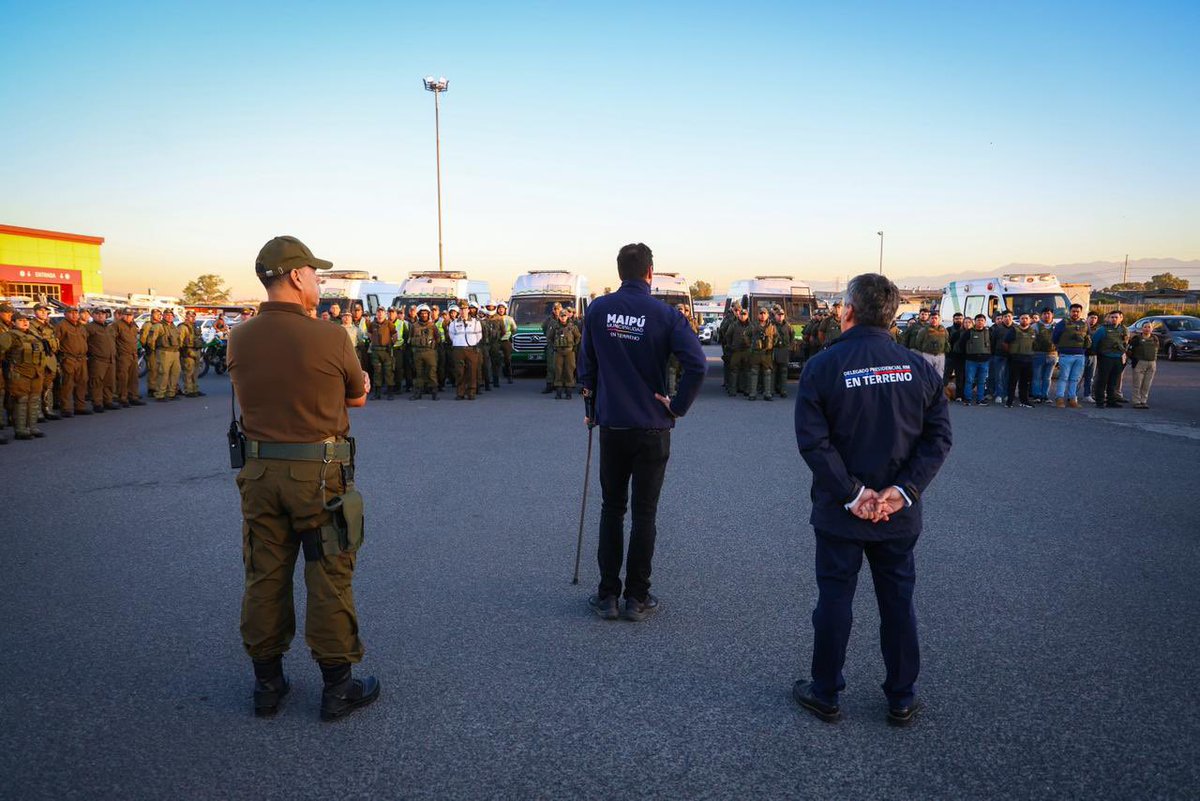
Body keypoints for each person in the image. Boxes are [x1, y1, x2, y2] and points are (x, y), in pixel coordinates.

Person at [228, 235, 379, 721]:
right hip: (318, 476)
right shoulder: (331, 337)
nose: (318, 282)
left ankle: (267, 684)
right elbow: (357, 396)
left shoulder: (239, 336)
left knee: (264, 573)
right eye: (315, 273)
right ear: (296, 276)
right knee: (329, 574)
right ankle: (337, 687)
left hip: (259, 473)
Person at [792, 272, 951, 726]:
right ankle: (902, 696)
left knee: (834, 600)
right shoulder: (920, 367)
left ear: (847, 310)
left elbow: (813, 442)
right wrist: (902, 492)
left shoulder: (822, 366)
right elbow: (938, 439)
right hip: (897, 514)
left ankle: (826, 692)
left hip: (841, 511)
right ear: (892, 315)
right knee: (897, 601)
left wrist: (854, 493)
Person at [578, 243, 706, 622]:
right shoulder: (666, 315)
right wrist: (677, 405)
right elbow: (697, 364)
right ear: (650, 272)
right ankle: (637, 597)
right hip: (652, 425)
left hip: (613, 425)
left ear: (620, 272)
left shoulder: (598, 309)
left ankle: (607, 596)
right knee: (644, 513)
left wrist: (591, 410)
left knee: (612, 508)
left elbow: (587, 367)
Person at [2, 313, 48, 440]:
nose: (25, 322)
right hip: (19, 372)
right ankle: (21, 430)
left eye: (26, 320)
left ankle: (32, 427)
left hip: (36, 373)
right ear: (13, 322)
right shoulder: (9, 336)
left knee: (34, 400)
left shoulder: (34, 335)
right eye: (21, 320)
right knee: (21, 400)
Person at [55, 306, 90, 416]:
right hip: (69, 359)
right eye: (71, 313)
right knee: (67, 384)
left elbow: (85, 340)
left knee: (82, 383)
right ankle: (66, 408)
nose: (74, 315)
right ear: (65, 314)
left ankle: (80, 406)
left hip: (82, 359)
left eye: (76, 313)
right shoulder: (61, 326)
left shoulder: (81, 326)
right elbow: (56, 342)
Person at [1051, 303, 1089, 408]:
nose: (1075, 313)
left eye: (1077, 311)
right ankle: (1059, 398)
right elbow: (1055, 338)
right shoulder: (1062, 323)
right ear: (1069, 312)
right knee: (1063, 378)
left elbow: (1087, 339)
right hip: (1066, 355)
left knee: (1074, 379)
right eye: (1073, 311)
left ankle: (1072, 399)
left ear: (1081, 312)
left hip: (1080, 356)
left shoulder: (1084, 324)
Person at [29, 304, 61, 420]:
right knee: (37, 386)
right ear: (35, 312)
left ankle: (48, 409)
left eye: (45, 310)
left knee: (48, 385)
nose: (43, 312)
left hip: (50, 358)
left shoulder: (50, 326)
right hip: (38, 359)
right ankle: (37, 412)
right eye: (40, 310)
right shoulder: (31, 325)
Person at [1092, 311, 1128, 408]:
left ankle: (1111, 401)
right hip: (1106, 357)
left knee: (1113, 381)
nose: (1114, 319)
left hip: (1118, 358)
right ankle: (1100, 401)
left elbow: (1125, 343)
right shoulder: (1103, 329)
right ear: (1108, 318)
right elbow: (1094, 342)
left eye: (1116, 317)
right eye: (1112, 317)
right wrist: (1097, 354)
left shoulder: (1122, 330)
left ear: (1120, 319)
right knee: (1102, 380)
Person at [85, 308, 118, 412]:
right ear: (93, 315)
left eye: (103, 314)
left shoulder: (109, 327)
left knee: (109, 381)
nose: (100, 316)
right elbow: (84, 342)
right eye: (97, 314)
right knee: (97, 382)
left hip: (110, 359)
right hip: (97, 359)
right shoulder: (89, 327)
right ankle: (97, 403)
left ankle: (108, 401)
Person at [447, 303, 482, 400]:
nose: (463, 311)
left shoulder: (475, 322)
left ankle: (471, 392)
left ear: (468, 310)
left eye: (465, 309)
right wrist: (459, 342)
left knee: (472, 372)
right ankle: (460, 393)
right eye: (461, 309)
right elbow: (451, 335)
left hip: (471, 349)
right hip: (458, 349)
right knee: (459, 372)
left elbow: (479, 336)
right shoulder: (454, 323)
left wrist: (472, 343)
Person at [113, 308, 144, 406]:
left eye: (130, 315)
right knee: (123, 377)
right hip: (123, 355)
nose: (128, 317)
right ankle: (122, 398)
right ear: (122, 315)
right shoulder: (117, 325)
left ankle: (133, 396)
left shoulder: (133, 325)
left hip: (133, 354)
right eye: (126, 315)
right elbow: (112, 340)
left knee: (134, 377)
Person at [1004, 313, 1036, 408]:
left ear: (1030, 320)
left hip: (1028, 359)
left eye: (1026, 318)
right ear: (1019, 320)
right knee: (1012, 381)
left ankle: (1024, 401)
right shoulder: (1013, 330)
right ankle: (1009, 401)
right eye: (1022, 318)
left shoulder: (1033, 331)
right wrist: (1010, 354)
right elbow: (1005, 343)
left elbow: (1035, 344)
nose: (1024, 320)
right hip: (1016, 359)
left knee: (1025, 382)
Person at [409, 304, 441, 400]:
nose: (424, 315)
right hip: (418, 352)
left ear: (428, 314)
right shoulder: (414, 326)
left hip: (430, 352)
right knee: (418, 374)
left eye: (426, 313)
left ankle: (434, 393)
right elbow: (410, 338)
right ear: (418, 314)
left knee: (432, 373)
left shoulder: (432, 326)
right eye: (422, 313)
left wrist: (433, 348)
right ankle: (417, 393)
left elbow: (438, 338)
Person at [1127, 322, 1160, 409]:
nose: (1147, 329)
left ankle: (1143, 401)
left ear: (1152, 329)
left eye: (1149, 327)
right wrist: (1134, 360)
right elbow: (1130, 351)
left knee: (1147, 384)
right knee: (1137, 383)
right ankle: (1136, 401)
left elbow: (1157, 349)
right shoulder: (1137, 338)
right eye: (1145, 327)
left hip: (1151, 363)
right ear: (1142, 329)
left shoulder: (1155, 338)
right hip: (1140, 363)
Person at [747, 307, 778, 401]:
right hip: (756, 353)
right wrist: (751, 345)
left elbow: (776, 337)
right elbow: (746, 335)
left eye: (764, 313)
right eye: (761, 313)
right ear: (758, 315)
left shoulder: (772, 326)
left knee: (767, 373)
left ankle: (767, 394)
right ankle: (752, 394)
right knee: (754, 373)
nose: (763, 315)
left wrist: (772, 345)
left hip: (767, 353)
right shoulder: (753, 326)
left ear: (768, 315)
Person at [961, 314, 991, 406]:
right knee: (969, 380)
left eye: (982, 320)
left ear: (985, 322)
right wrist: (967, 355)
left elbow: (992, 344)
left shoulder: (989, 332)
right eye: (978, 320)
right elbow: (962, 344)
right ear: (975, 321)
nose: (980, 322)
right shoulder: (969, 332)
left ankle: (980, 399)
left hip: (984, 361)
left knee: (982, 381)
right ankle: (967, 399)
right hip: (971, 360)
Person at [366, 307, 396, 400]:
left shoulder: (389, 324)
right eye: (378, 312)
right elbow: (369, 333)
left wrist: (391, 344)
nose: (380, 314)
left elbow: (395, 335)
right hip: (376, 351)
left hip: (386, 351)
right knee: (377, 372)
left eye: (382, 312)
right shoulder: (372, 324)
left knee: (388, 372)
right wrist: (373, 340)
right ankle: (377, 393)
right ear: (376, 313)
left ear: (385, 314)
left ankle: (390, 393)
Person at [551, 306, 581, 399]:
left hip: (569, 352)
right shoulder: (555, 327)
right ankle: (558, 393)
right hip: (558, 352)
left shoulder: (572, 327)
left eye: (564, 316)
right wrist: (554, 346)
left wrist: (574, 346)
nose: (563, 318)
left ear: (567, 316)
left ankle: (568, 393)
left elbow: (578, 337)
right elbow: (549, 337)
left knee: (569, 371)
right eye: (561, 316)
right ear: (559, 317)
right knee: (558, 371)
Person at [1030, 308, 1058, 404]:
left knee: (1048, 377)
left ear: (1052, 315)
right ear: (1041, 315)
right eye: (1044, 314)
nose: (1047, 315)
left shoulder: (1056, 326)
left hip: (1052, 355)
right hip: (1038, 354)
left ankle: (1045, 396)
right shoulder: (1035, 326)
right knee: (1036, 377)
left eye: (1049, 313)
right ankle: (1036, 396)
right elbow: (1031, 341)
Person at [723, 306, 752, 397]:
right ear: (739, 315)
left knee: (747, 371)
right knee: (734, 371)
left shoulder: (751, 326)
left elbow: (754, 337)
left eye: (744, 314)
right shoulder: (734, 325)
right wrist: (730, 345)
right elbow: (728, 335)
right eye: (741, 314)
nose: (743, 316)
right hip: (736, 351)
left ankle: (746, 389)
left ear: (747, 315)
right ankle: (732, 390)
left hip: (747, 351)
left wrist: (751, 345)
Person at [912, 312, 949, 378]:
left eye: (936, 318)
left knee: (939, 375)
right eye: (932, 318)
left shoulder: (944, 330)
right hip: (927, 355)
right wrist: (925, 351)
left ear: (939, 319)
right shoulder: (924, 330)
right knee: (928, 374)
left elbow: (946, 340)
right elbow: (918, 342)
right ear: (929, 319)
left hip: (940, 355)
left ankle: (938, 385)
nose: (934, 320)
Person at [987, 311, 1013, 405]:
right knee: (999, 376)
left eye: (1009, 316)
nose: (1007, 318)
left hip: (1012, 356)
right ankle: (999, 394)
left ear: (1012, 317)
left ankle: (1006, 394)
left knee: (1008, 376)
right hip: (999, 355)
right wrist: (994, 354)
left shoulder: (1015, 328)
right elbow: (992, 342)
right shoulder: (997, 329)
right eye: (1005, 316)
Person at [179, 310, 205, 398]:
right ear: (186, 317)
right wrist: (184, 352)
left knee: (195, 372)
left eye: (194, 316)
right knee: (188, 372)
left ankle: (195, 389)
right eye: (191, 316)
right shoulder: (183, 327)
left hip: (196, 350)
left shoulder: (195, 326)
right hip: (188, 351)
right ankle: (188, 390)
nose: (193, 318)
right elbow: (180, 341)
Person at [772, 306, 794, 398]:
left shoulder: (788, 326)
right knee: (773, 371)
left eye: (782, 315)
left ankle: (783, 390)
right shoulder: (771, 325)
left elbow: (792, 336)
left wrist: (790, 346)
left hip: (784, 350)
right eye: (778, 315)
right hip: (774, 349)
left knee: (783, 371)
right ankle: (772, 390)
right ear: (775, 315)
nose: (780, 316)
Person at [1082, 311, 1100, 401]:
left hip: (1093, 355)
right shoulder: (1082, 327)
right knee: (1078, 377)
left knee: (1090, 377)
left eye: (1095, 318)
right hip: (1083, 355)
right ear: (1087, 318)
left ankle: (1087, 395)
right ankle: (1073, 395)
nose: (1093, 320)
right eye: (1091, 317)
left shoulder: (1099, 330)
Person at [496, 302, 516, 384]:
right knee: (495, 359)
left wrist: (509, 336)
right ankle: (496, 378)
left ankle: (509, 376)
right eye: (499, 308)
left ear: (505, 309)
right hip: (497, 341)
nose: (501, 310)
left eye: (502, 308)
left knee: (507, 359)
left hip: (506, 340)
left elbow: (514, 328)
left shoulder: (509, 318)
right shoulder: (495, 318)